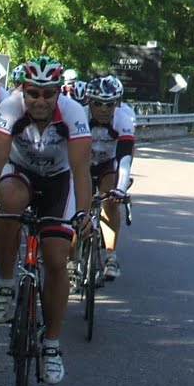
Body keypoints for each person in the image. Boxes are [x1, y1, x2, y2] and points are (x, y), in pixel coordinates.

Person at [0, 55, 92, 385]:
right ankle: (5, 286)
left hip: (58, 181)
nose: (40, 101)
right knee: (8, 203)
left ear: (58, 93)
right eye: (33, 93)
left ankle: (52, 345)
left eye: (48, 94)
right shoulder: (9, 108)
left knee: (55, 259)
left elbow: (81, 170)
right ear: (23, 91)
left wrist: (83, 213)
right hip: (20, 173)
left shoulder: (73, 113)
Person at [84, 73, 136, 281]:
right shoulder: (79, 115)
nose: (104, 109)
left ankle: (110, 256)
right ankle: (72, 259)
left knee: (110, 201)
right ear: (89, 102)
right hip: (83, 163)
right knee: (79, 206)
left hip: (108, 163)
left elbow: (125, 158)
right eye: (98, 104)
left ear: (117, 104)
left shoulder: (124, 119)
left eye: (109, 104)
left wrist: (120, 189)